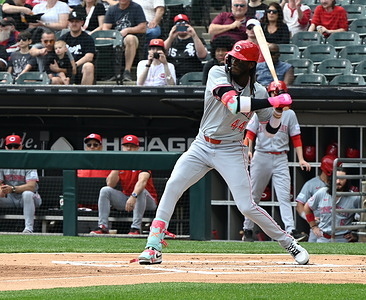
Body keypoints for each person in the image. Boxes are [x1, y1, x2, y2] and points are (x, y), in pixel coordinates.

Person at [136, 40, 309, 265]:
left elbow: (272, 129)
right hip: (202, 145)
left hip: (231, 149)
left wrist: (277, 111)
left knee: (247, 206)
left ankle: (290, 243)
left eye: (239, 60)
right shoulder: (217, 73)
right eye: (233, 57)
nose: (232, 61)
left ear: (250, 66)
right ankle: (153, 246)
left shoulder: (257, 90)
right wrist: (272, 99)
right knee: (173, 184)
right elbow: (234, 104)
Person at [241, 81, 310, 242]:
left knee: (284, 195)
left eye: (278, 93)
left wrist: (301, 159)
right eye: (273, 93)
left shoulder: (289, 114)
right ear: (269, 94)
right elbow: (250, 133)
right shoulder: (262, 110)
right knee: (254, 195)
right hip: (261, 156)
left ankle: (291, 229)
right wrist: (248, 150)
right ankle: (247, 229)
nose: (275, 96)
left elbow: (296, 137)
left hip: (280, 157)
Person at [90, 134, 158, 235]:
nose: (129, 148)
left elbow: (142, 181)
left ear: (137, 148)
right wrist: (117, 165)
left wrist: (133, 196)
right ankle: (103, 226)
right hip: (127, 199)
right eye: (126, 146)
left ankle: (135, 228)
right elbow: (110, 184)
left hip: (147, 201)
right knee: (105, 190)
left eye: (132, 146)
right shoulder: (120, 162)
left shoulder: (142, 160)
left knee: (141, 192)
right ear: (123, 147)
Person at [304, 167, 361, 243]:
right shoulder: (322, 192)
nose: (338, 181)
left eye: (342, 179)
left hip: (343, 239)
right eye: (336, 178)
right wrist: (314, 226)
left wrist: (356, 234)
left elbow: (362, 218)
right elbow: (307, 207)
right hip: (323, 238)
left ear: (347, 180)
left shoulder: (354, 197)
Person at [0, 134, 42, 234]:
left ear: (21, 147)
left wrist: (13, 189)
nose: (13, 149)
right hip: (10, 198)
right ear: (5, 148)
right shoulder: (2, 162)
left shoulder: (28, 162)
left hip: (31, 199)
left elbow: (31, 186)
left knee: (27, 194)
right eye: (10, 147)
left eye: (16, 146)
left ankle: (28, 229)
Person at [296, 154, 337, 242]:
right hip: (317, 226)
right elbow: (299, 204)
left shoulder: (339, 184)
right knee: (314, 252)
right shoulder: (311, 184)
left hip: (337, 228)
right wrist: (309, 219)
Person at [102, 0, 147, 82]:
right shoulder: (112, 9)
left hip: (133, 38)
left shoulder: (136, 8)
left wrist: (128, 30)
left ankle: (127, 71)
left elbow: (143, 27)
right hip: (116, 37)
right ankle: (109, 72)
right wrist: (112, 37)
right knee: (101, 39)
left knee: (130, 38)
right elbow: (105, 28)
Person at [164, 14, 208, 82]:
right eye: (178, 24)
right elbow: (161, 52)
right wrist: (171, 37)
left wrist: (194, 35)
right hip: (172, 76)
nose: (181, 26)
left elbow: (203, 55)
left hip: (191, 76)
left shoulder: (198, 40)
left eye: (184, 24)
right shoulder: (170, 41)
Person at [59, 11, 96, 85]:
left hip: (80, 67)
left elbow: (89, 57)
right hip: (65, 68)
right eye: (72, 21)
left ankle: (84, 95)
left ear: (82, 22)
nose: (74, 24)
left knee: (89, 66)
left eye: (77, 21)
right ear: (68, 23)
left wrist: (74, 65)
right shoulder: (63, 38)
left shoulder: (87, 38)